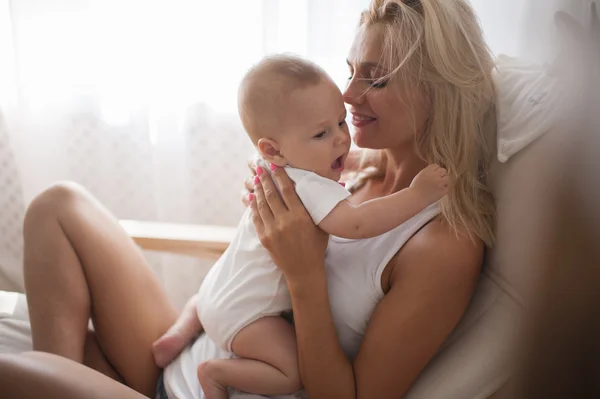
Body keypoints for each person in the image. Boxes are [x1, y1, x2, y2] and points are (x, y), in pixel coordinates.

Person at [0, 0, 496, 398]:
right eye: (350, 71)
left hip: (220, 383)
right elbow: (257, 268)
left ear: (439, 89)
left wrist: (303, 273)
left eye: (376, 78)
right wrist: (214, 291)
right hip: (189, 357)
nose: (348, 95)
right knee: (57, 206)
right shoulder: (353, 169)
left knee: (17, 371)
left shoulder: (443, 245)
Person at [151, 54, 449, 399]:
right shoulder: (313, 184)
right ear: (273, 149)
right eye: (322, 133)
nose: (340, 138)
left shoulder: (287, 164)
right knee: (290, 372)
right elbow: (354, 223)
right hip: (241, 319)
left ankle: (176, 335)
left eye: (340, 123)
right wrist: (418, 194)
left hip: (214, 296)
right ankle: (216, 374)